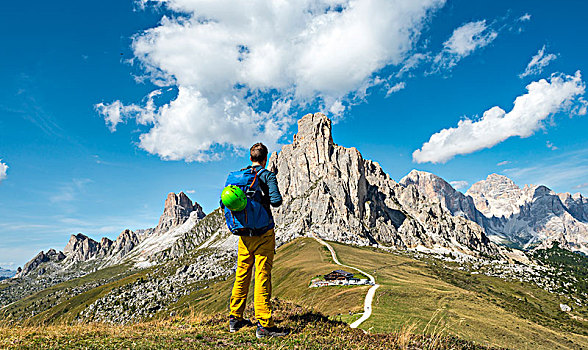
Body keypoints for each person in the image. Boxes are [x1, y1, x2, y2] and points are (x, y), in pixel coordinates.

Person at [228, 142, 287, 338]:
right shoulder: (266, 175)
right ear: (265, 158)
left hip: (244, 235)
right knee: (262, 276)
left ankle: (235, 318)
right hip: (263, 234)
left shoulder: (238, 176)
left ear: (250, 157)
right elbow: (277, 201)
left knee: (242, 274)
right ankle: (264, 326)